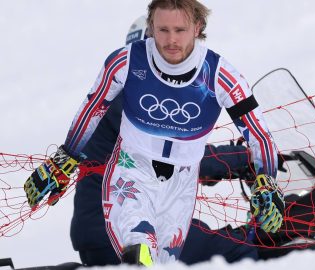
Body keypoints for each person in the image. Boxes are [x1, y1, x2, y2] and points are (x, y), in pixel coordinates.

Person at [24, 0, 284, 266]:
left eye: (179, 31)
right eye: (161, 32)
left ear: (197, 28)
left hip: (165, 196)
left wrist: (267, 178)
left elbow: (255, 134)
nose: (170, 41)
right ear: (150, 32)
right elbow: (94, 113)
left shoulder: (218, 75)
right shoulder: (124, 83)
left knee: (166, 258)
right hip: (125, 190)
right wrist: (63, 159)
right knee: (166, 250)